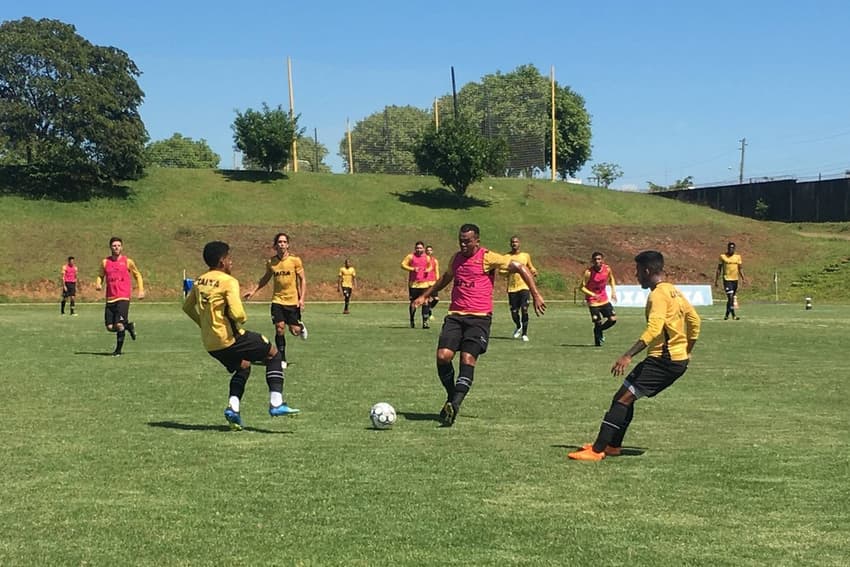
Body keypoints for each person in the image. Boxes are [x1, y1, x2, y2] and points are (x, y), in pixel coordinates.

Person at [569, 251, 701, 461]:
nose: (636, 275)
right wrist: (687, 351)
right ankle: (612, 445)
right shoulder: (673, 290)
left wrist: (628, 355)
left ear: (647, 271)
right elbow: (695, 321)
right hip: (672, 359)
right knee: (624, 398)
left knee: (623, 398)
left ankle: (597, 450)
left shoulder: (658, 294)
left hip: (663, 361)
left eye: (638, 271)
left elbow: (654, 329)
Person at [412, 224, 546, 426]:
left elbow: (520, 267)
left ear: (477, 241)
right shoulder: (456, 258)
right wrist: (424, 295)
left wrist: (535, 294)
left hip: (479, 318)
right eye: (461, 240)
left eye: (467, 241)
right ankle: (452, 397)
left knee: (467, 358)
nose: (463, 244)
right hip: (455, 316)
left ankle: (455, 405)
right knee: (443, 356)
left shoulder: (488, 257)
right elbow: (446, 277)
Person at [183, 241, 299, 431]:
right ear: (222, 261)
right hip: (230, 338)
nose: (231, 262)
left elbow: (187, 307)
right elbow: (239, 315)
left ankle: (233, 409)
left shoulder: (199, 281)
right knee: (273, 353)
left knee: (243, 367)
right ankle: (276, 403)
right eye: (229, 258)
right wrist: (241, 317)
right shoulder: (228, 281)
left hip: (210, 344)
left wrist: (203, 324)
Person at [243, 232, 307, 367]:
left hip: (292, 301)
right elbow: (265, 278)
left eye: (284, 242)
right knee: (279, 328)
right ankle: (282, 358)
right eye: (279, 242)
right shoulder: (271, 262)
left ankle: (300, 327)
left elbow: (302, 279)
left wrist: (301, 299)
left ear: (288, 245)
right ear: (275, 245)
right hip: (277, 300)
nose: (282, 244)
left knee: (294, 331)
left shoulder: (295, 260)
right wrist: (253, 291)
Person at [95, 237, 144, 356]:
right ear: (110, 247)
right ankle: (129, 326)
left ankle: (118, 351)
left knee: (119, 324)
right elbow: (100, 275)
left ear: (121, 247)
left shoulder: (128, 261)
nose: (116, 247)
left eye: (118, 245)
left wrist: (141, 289)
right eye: (114, 245)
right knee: (110, 327)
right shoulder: (105, 262)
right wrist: (98, 283)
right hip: (110, 298)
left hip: (123, 297)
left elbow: (137, 275)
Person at [580, 252, 618, 346]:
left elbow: (611, 279)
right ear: (592, 261)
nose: (597, 261)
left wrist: (613, 291)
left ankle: (598, 330)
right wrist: (592, 294)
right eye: (595, 259)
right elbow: (582, 287)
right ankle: (597, 343)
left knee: (613, 319)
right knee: (598, 321)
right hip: (593, 301)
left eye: (599, 259)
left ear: (602, 260)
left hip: (604, 299)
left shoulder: (607, 269)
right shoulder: (588, 273)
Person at [505, 236, 538, 342]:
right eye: (512, 242)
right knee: (514, 312)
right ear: (510, 244)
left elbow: (531, 267)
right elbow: (502, 272)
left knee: (524, 309)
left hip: (524, 287)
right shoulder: (506, 257)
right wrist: (509, 271)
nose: (514, 244)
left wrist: (533, 271)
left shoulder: (525, 256)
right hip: (512, 288)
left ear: (519, 243)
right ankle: (518, 326)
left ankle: (524, 333)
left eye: (516, 242)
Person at [401, 241, 434, 328]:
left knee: (425, 302)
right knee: (413, 303)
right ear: (415, 249)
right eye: (417, 248)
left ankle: (425, 322)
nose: (419, 249)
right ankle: (412, 320)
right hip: (414, 284)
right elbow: (403, 265)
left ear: (423, 248)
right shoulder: (410, 256)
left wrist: (428, 269)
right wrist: (412, 268)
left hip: (424, 284)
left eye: (420, 248)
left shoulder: (427, 257)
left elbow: (430, 266)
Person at [715, 241, 744, 320]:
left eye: (732, 248)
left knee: (730, 299)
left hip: (735, 280)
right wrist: (716, 280)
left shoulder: (737, 257)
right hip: (727, 279)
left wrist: (743, 278)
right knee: (731, 297)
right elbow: (719, 269)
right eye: (730, 248)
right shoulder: (722, 256)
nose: (731, 249)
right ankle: (733, 315)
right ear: (728, 248)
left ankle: (727, 314)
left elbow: (740, 268)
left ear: (734, 249)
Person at [425, 245, 440, 319]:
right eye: (427, 250)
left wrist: (438, 281)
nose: (429, 252)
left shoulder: (435, 261)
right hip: (425, 282)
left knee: (436, 299)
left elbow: (436, 271)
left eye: (430, 250)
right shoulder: (423, 260)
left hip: (433, 282)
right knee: (427, 299)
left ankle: (429, 309)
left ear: (432, 251)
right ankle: (429, 314)